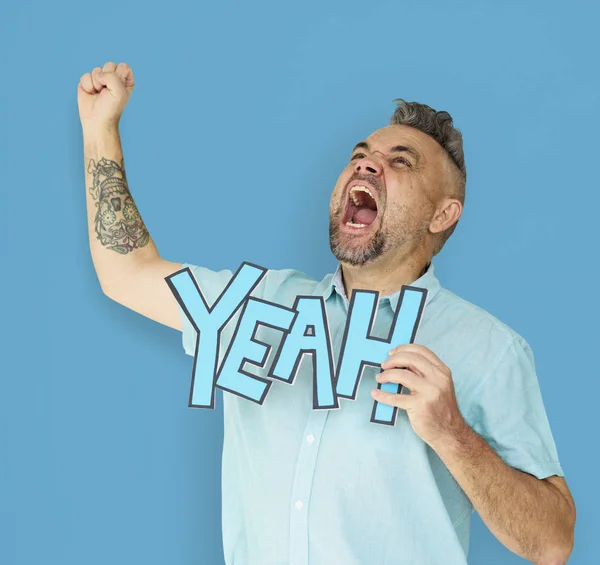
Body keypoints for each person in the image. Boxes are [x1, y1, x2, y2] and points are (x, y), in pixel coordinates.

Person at [77, 61, 576, 565]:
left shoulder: (487, 348)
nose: (366, 165)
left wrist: (452, 433)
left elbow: (553, 542)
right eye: (360, 156)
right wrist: (100, 128)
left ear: (442, 214)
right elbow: (126, 273)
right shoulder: (257, 304)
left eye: (401, 162)